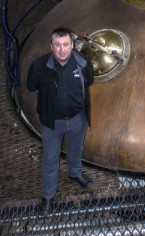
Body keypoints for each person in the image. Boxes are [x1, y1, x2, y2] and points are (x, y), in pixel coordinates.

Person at [27, 27, 94, 215]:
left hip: (77, 119)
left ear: (72, 45)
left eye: (66, 45)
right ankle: (48, 196)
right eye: (57, 45)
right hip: (52, 123)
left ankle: (75, 173)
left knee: (76, 149)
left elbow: (88, 81)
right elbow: (32, 85)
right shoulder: (39, 66)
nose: (62, 49)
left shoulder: (83, 62)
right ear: (51, 46)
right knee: (50, 159)